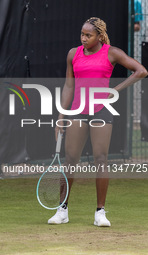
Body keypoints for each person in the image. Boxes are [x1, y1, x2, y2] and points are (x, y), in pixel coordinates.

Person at [48, 17, 148, 227]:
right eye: (82, 34)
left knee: (101, 159)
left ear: (99, 36)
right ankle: (62, 210)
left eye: (88, 35)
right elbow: (68, 86)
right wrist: (60, 116)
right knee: (70, 160)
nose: (83, 38)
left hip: (101, 111)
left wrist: (114, 91)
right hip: (77, 111)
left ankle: (100, 212)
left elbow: (141, 71)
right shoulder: (73, 54)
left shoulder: (111, 52)